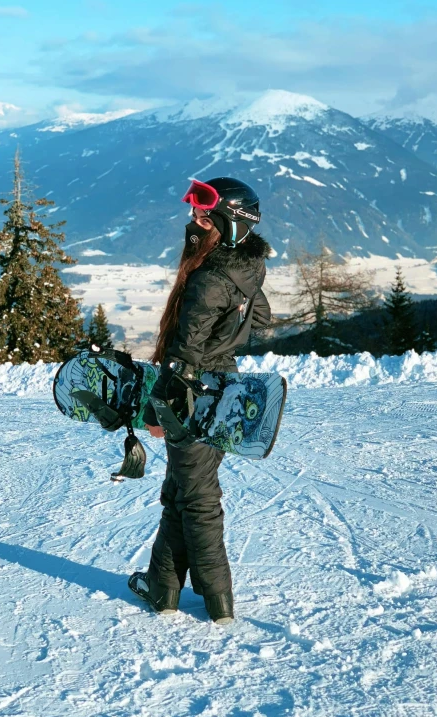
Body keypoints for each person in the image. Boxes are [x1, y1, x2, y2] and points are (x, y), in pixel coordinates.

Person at [128, 177, 272, 624]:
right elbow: (261, 317)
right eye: (194, 211)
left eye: (205, 215)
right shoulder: (245, 267)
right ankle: (163, 588)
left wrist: (157, 410)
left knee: (198, 499)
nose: (194, 219)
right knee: (181, 491)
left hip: (193, 395)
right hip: (220, 386)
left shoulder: (210, 278)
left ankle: (217, 602)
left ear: (230, 221)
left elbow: (181, 358)